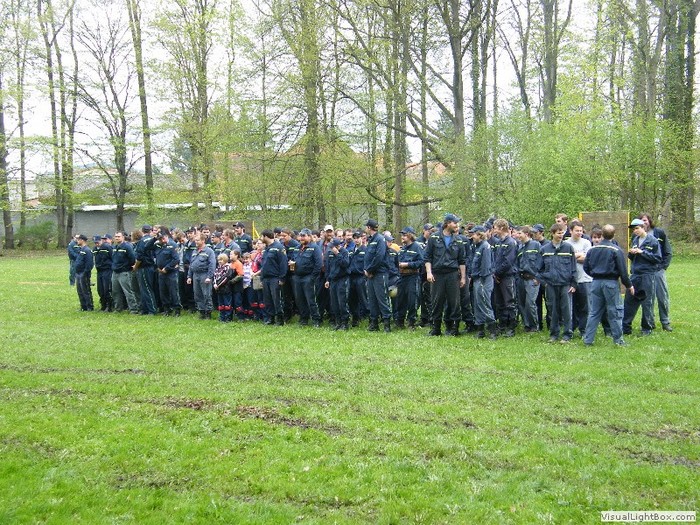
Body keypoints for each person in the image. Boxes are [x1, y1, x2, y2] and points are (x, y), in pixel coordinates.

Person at [583, 224, 633, 346]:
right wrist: (629, 285)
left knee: (594, 312)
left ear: (602, 235)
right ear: (613, 235)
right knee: (614, 311)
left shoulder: (592, 250)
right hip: (610, 282)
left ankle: (588, 340)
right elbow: (623, 271)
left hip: (595, 282)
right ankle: (618, 341)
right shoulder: (616, 250)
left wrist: (594, 274)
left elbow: (586, 267)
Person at [424, 213, 467, 336]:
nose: (457, 225)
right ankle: (436, 328)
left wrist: (463, 277)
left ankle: (454, 328)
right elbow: (427, 257)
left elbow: (462, 261)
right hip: (437, 274)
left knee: (455, 302)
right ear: (447, 223)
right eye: (455, 223)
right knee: (436, 301)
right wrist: (429, 273)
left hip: (452, 274)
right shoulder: (434, 238)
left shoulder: (458, 240)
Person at [538, 223, 577, 343]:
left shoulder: (568, 248)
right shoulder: (544, 249)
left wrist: (573, 284)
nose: (561, 235)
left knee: (567, 310)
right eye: (558, 233)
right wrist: (544, 283)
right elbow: (539, 269)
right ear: (552, 234)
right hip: (551, 284)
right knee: (553, 310)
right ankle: (554, 334)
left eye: (562, 233)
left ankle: (567, 334)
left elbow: (573, 267)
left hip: (565, 284)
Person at [623, 218, 661, 336]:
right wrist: (631, 253)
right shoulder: (635, 240)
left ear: (643, 227)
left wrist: (642, 252)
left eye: (637, 228)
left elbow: (657, 258)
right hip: (635, 274)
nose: (635, 231)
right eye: (633, 229)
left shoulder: (653, 241)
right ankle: (625, 327)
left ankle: (646, 328)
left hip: (647, 275)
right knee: (629, 300)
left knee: (647, 302)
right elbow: (631, 258)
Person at [639, 212, 673, 332]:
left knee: (662, 297)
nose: (643, 223)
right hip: (645, 272)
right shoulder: (637, 236)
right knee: (648, 299)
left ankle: (665, 322)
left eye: (645, 220)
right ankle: (650, 322)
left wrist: (663, 267)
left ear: (649, 221)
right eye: (641, 220)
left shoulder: (659, 233)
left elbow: (668, 252)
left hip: (658, 271)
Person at [565, 220, 593, 336]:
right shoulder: (566, 244)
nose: (579, 233)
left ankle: (584, 330)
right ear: (571, 231)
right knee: (570, 307)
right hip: (570, 280)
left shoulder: (586, 243)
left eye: (581, 231)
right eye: (577, 231)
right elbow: (565, 260)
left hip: (585, 279)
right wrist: (578, 255)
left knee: (585, 306)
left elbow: (588, 259)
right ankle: (570, 329)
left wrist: (573, 257)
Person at [364, 219, 392, 332]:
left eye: (366, 227)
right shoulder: (370, 240)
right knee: (372, 300)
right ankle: (374, 323)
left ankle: (386, 324)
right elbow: (368, 257)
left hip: (379, 274)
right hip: (370, 275)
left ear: (369, 227)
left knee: (382, 299)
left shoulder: (380, 239)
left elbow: (379, 257)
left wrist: (370, 270)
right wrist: (367, 270)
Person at [469, 226, 497, 339]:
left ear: (480, 235)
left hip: (483, 279)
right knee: (477, 304)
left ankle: (492, 330)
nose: (472, 237)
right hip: (477, 279)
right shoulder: (477, 247)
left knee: (485, 303)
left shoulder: (485, 247)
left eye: (474, 234)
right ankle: (480, 329)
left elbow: (486, 265)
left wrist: (481, 279)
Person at [492, 219, 518, 336]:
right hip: (497, 276)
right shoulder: (498, 242)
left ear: (501, 228)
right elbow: (495, 259)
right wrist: (494, 273)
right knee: (499, 302)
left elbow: (508, 261)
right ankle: (502, 325)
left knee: (510, 302)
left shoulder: (511, 242)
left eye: (495, 228)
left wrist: (498, 273)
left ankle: (511, 327)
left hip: (507, 276)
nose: (494, 230)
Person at [396, 226, 425, 329]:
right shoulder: (403, 249)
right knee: (401, 300)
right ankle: (400, 322)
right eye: (402, 235)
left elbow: (421, 262)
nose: (402, 237)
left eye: (404, 235)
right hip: (402, 277)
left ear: (410, 235)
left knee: (413, 300)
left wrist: (407, 264)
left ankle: (411, 322)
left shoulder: (417, 247)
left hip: (413, 276)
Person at [294, 228, 323, 327]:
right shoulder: (297, 248)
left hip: (309, 277)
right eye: (300, 236)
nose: (301, 238)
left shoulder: (315, 248)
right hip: (297, 277)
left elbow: (319, 264)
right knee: (300, 300)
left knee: (311, 300)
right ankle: (303, 319)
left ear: (309, 237)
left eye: (304, 236)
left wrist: (312, 277)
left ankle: (316, 319)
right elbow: (294, 259)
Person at [515, 226, 542, 333]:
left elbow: (541, 262)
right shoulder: (520, 247)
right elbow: (517, 263)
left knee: (530, 303)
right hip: (521, 278)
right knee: (521, 303)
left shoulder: (536, 245)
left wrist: (538, 277)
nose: (517, 235)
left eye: (519, 233)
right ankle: (527, 325)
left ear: (526, 234)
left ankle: (534, 326)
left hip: (532, 279)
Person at [260, 229, 288, 325]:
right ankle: (270, 318)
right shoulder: (266, 248)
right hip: (266, 278)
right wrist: (262, 278)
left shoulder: (279, 247)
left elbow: (283, 263)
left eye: (262, 236)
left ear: (266, 236)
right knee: (267, 300)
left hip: (275, 278)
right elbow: (263, 265)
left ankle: (280, 319)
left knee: (276, 299)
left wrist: (282, 278)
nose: (261, 238)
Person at [187, 233, 216, 319]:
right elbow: (191, 264)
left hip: (204, 274)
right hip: (195, 275)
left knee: (206, 294)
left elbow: (212, 265)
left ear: (203, 240)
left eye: (197, 240)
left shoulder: (209, 251)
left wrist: (209, 277)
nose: (195, 242)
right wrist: (189, 276)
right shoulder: (194, 251)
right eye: (195, 240)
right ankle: (202, 311)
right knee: (197, 294)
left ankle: (208, 312)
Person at [155, 228, 182, 316]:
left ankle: (177, 309)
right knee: (163, 292)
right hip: (161, 272)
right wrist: (157, 267)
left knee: (173, 291)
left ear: (166, 236)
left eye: (163, 238)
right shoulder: (158, 245)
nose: (162, 240)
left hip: (171, 272)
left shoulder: (173, 245)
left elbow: (176, 259)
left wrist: (167, 268)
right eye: (160, 239)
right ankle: (167, 309)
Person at [325, 237, 351, 330]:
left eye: (332, 247)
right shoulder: (329, 253)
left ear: (337, 246)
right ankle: (338, 322)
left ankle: (345, 323)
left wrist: (338, 254)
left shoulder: (344, 252)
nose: (331, 248)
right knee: (334, 303)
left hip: (342, 279)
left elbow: (345, 264)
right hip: (333, 280)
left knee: (342, 302)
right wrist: (327, 280)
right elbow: (328, 267)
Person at [110, 231, 139, 314]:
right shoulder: (114, 247)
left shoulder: (127, 247)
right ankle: (118, 308)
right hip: (115, 272)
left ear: (123, 237)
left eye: (118, 236)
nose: (117, 238)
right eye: (116, 236)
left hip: (124, 272)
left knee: (128, 291)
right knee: (115, 291)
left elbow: (132, 259)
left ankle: (134, 309)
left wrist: (127, 267)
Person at [133, 225, 157, 315]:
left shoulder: (142, 241)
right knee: (146, 288)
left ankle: (152, 309)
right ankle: (145, 309)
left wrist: (135, 267)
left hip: (144, 267)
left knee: (146, 289)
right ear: (150, 231)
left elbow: (139, 256)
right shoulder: (153, 240)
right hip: (151, 266)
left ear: (142, 231)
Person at [74, 234, 94, 311]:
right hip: (78, 273)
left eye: (78, 239)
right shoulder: (81, 249)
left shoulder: (87, 250)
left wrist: (85, 273)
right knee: (80, 291)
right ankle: (83, 307)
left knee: (86, 291)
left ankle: (89, 306)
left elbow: (89, 264)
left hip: (84, 273)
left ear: (82, 240)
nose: (77, 241)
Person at [213, 254, 235, 322]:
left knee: (227, 303)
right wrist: (214, 284)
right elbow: (215, 276)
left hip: (226, 288)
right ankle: (222, 317)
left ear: (225, 260)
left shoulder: (228, 267)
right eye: (219, 260)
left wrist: (218, 285)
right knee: (221, 304)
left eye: (221, 260)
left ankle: (228, 317)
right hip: (218, 289)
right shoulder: (218, 268)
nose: (220, 261)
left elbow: (226, 278)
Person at [95, 234, 113, 311]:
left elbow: (112, 257)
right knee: (100, 289)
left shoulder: (107, 247)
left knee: (107, 288)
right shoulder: (95, 249)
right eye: (95, 242)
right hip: (99, 271)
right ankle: (103, 304)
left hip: (107, 270)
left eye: (98, 242)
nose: (97, 244)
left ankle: (109, 306)